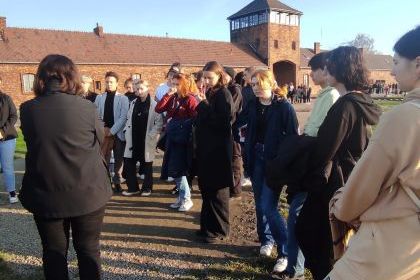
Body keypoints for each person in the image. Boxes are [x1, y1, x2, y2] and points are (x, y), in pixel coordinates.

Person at [326, 26, 420, 280]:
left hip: (388, 251)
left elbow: (363, 187)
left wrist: (340, 206)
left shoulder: (405, 118)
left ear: (418, 64)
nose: (392, 71)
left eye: (397, 62)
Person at [19, 54, 112, 280]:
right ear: (72, 78)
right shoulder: (87, 108)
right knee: (88, 249)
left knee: (54, 253)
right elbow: (100, 139)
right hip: (88, 191)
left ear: (41, 78)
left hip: (47, 193)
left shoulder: (28, 109)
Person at [295, 46, 382, 280]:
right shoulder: (359, 102)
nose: (327, 68)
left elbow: (325, 149)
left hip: (333, 182)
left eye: (331, 64)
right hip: (348, 177)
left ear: (342, 68)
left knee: (314, 235)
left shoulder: (345, 106)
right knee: (327, 238)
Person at [241, 70, 299, 278]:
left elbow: (293, 138)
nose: (255, 87)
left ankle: (284, 252)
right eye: (253, 84)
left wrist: (283, 163)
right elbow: (239, 123)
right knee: (259, 203)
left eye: (259, 83)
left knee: (269, 206)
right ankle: (266, 239)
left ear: (271, 83)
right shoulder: (253, 105)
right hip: (255, 157)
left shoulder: (284, 107)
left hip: (274, 163)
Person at [195, 61, 234, 243]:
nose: (207, 81)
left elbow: (223, 123)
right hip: (206, 150)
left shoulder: (224, 95)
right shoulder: (210, 93)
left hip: (218, 151)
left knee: (218, 192)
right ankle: (207, 227)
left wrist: (203, 104)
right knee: (207, 190)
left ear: (219, 76)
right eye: (205, 77)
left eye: (210, 77)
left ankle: (220, 230)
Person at [155, 73, 198, 211]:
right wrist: (168, 94)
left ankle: (186, 198)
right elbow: (159, 108)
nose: (173, 86)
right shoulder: (173, 97)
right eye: (172, 83)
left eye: (176, 84)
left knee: (179, 169)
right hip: (172, 137)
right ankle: (181, 197)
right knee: (173, 169)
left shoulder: (190, 99)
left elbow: (195, 118)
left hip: (183, 140)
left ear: (184, 85)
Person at [122, 79, 163, 197]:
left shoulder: (154, 104)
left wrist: (152, 135)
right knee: (129, 163)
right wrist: (126, 131)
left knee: (147, 164)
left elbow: (159, 123)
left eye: (141, 89)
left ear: (147, 88)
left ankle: (147, 188)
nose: (139, 91)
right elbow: (128, 118)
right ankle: (133, 188)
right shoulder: (133, 103)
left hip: (146, 139)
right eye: (137, 89)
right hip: (133, 138)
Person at [94, 71, 129, 192]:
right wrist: (103, 128)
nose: (109, 84)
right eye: (107, 82)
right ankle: (105, 181)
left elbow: (124, 116)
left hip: (117, 133)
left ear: (117, 83)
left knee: (119, 159)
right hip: (104, 132)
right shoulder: (99, 98)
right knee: (104, 158)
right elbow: (95, 115)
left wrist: (112, 131)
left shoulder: (123, 98)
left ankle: (117, 181)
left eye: (111, 82)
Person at [224, 66, 244, 199]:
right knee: (230, 159)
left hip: (234, 130)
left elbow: (232, 111)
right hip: (228, 129)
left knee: (235, 159)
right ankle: (230, 186)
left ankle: (236, 190)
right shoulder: (226, 89)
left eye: (224, 75)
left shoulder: (235, 90)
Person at [0, 75, 18, 204]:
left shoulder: (6, 99)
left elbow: (13, 116)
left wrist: (2, 132)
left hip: (7, 138)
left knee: (7, 166)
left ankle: (12, 192)